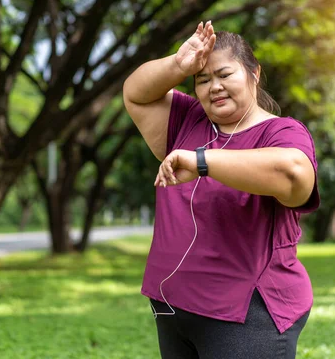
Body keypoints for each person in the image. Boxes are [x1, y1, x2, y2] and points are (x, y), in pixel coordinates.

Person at [123, 21, 320, 359]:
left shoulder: (282, 132)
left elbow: (293, 175)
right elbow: (135, 93)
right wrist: (178, 65)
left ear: (254, 74)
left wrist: (202, 161)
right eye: (202, 79)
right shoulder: (189, 120)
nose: (214, 87)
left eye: (225, 74)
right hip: (175, 310)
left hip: (246, 316)